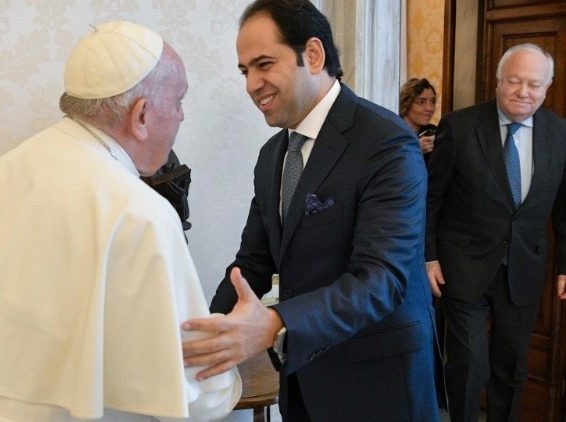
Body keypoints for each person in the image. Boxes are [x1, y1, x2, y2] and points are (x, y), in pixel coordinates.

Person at [0, 21, 241, 422]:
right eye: (178, 102)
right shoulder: (140, 212)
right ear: (141, 116)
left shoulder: (6, 167)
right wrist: (234, 357)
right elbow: (193, 394)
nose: (181, 117)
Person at [181, 1, 441, 420]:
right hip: (303, 379)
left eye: (264, 64)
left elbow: (381, 280)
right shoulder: (272, 156)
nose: (252, 84)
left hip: (380, 386)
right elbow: (253, 261)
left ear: (314, 55)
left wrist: (273, 322)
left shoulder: (386, 142)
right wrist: (207, 335)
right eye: (245, 71)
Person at [425, 42, 566, 421]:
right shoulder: (461, 126)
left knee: (512, 364)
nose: (523, 92)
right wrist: (429, 256)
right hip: (463, 265)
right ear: (498, 82)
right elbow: (431, 198)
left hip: (522, 268)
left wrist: (564, 266)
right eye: (514, 81)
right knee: (469, 363)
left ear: (547, 86)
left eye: (534, 84)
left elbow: (564, 208)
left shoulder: (559, 133)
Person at [399, 77, 438, 162]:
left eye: (433, 101)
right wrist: (415, 149)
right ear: (406, 104)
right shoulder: (393, 134)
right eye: (421, 102)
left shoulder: (434, 131)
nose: (430, 108)